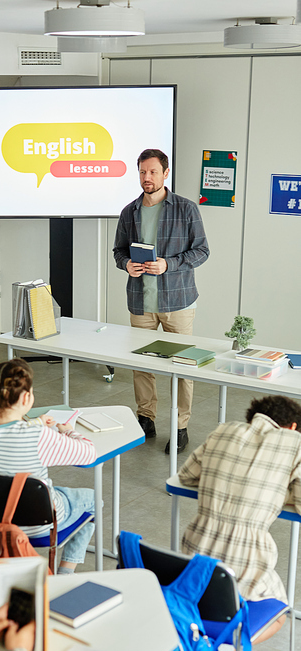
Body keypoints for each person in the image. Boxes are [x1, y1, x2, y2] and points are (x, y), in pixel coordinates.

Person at [178, 395, 301, 651]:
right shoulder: (295, 444)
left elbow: (186, 476)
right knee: (280, 611)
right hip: (246, 561)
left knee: (213, 602)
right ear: (294, 427)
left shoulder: (222, 430)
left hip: (195, 556)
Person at [112, 148, 210, 454]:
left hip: (178, 301)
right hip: (141, 301)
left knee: (183, 366)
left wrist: (169, 264)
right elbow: (118, 251)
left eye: (153, 172)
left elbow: (202, 251)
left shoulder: (185, 208)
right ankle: (146, 418)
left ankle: (180, 426)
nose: (147, 178)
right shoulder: (129, 212)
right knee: (142, 366)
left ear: (166, 173)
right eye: (142, 172)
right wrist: (125, 264)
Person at [0, 358, 97, 573]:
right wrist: (67, 431)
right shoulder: (37, 437)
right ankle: (65, 571)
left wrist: (35, 423)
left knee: (44, 490)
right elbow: (89, 454)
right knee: (93, 500)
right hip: (39, 524)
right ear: (27, 397)